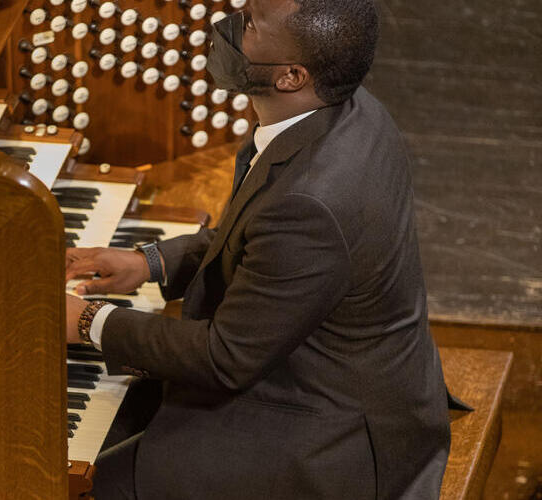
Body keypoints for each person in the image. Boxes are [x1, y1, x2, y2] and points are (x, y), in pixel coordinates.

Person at [65, 0, 451, 497]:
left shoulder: (312, 200)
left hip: (325, 429)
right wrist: (149, 263)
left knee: (74, 483)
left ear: (292, 76)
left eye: (247, 23)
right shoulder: (343, 112)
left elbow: (223, 357)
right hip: (333, 371)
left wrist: (85, 320)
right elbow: (257, 238)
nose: (226, 24)